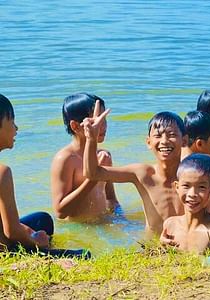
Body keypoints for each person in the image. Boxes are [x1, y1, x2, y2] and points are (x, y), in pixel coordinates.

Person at [0, 94, 90, 258]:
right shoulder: (2, 172)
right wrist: (36, 241)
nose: (16, 128)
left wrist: (26, 230)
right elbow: (11, 232)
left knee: (42, 219)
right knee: (85, 255)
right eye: (12, 122)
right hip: (4, 249)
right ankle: (45, 253)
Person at [82, 102, 186, 239]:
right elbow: (93, 173)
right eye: (158, 136)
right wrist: (91, 139)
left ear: (184, 141)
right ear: (148, 142)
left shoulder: (192, 174)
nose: (165, 141)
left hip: (185, 243)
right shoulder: (143, 174)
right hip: (152, 245)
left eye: (172, 134)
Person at [51, 93, 120, 222]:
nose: (103, 126)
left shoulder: (104, 155)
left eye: (104, 119)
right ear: (75, 126)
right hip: (78, 228)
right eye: (96, 121)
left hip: (102, 223)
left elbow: (111, 198)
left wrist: (121, 218)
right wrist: (93, 178)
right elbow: (60, 211)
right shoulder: (65, 159)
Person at [159, 154, 210, 253]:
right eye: (186, 186)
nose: (192, 194)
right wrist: (162, 246)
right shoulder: (170, 224)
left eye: (201, 187)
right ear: (177, 187)